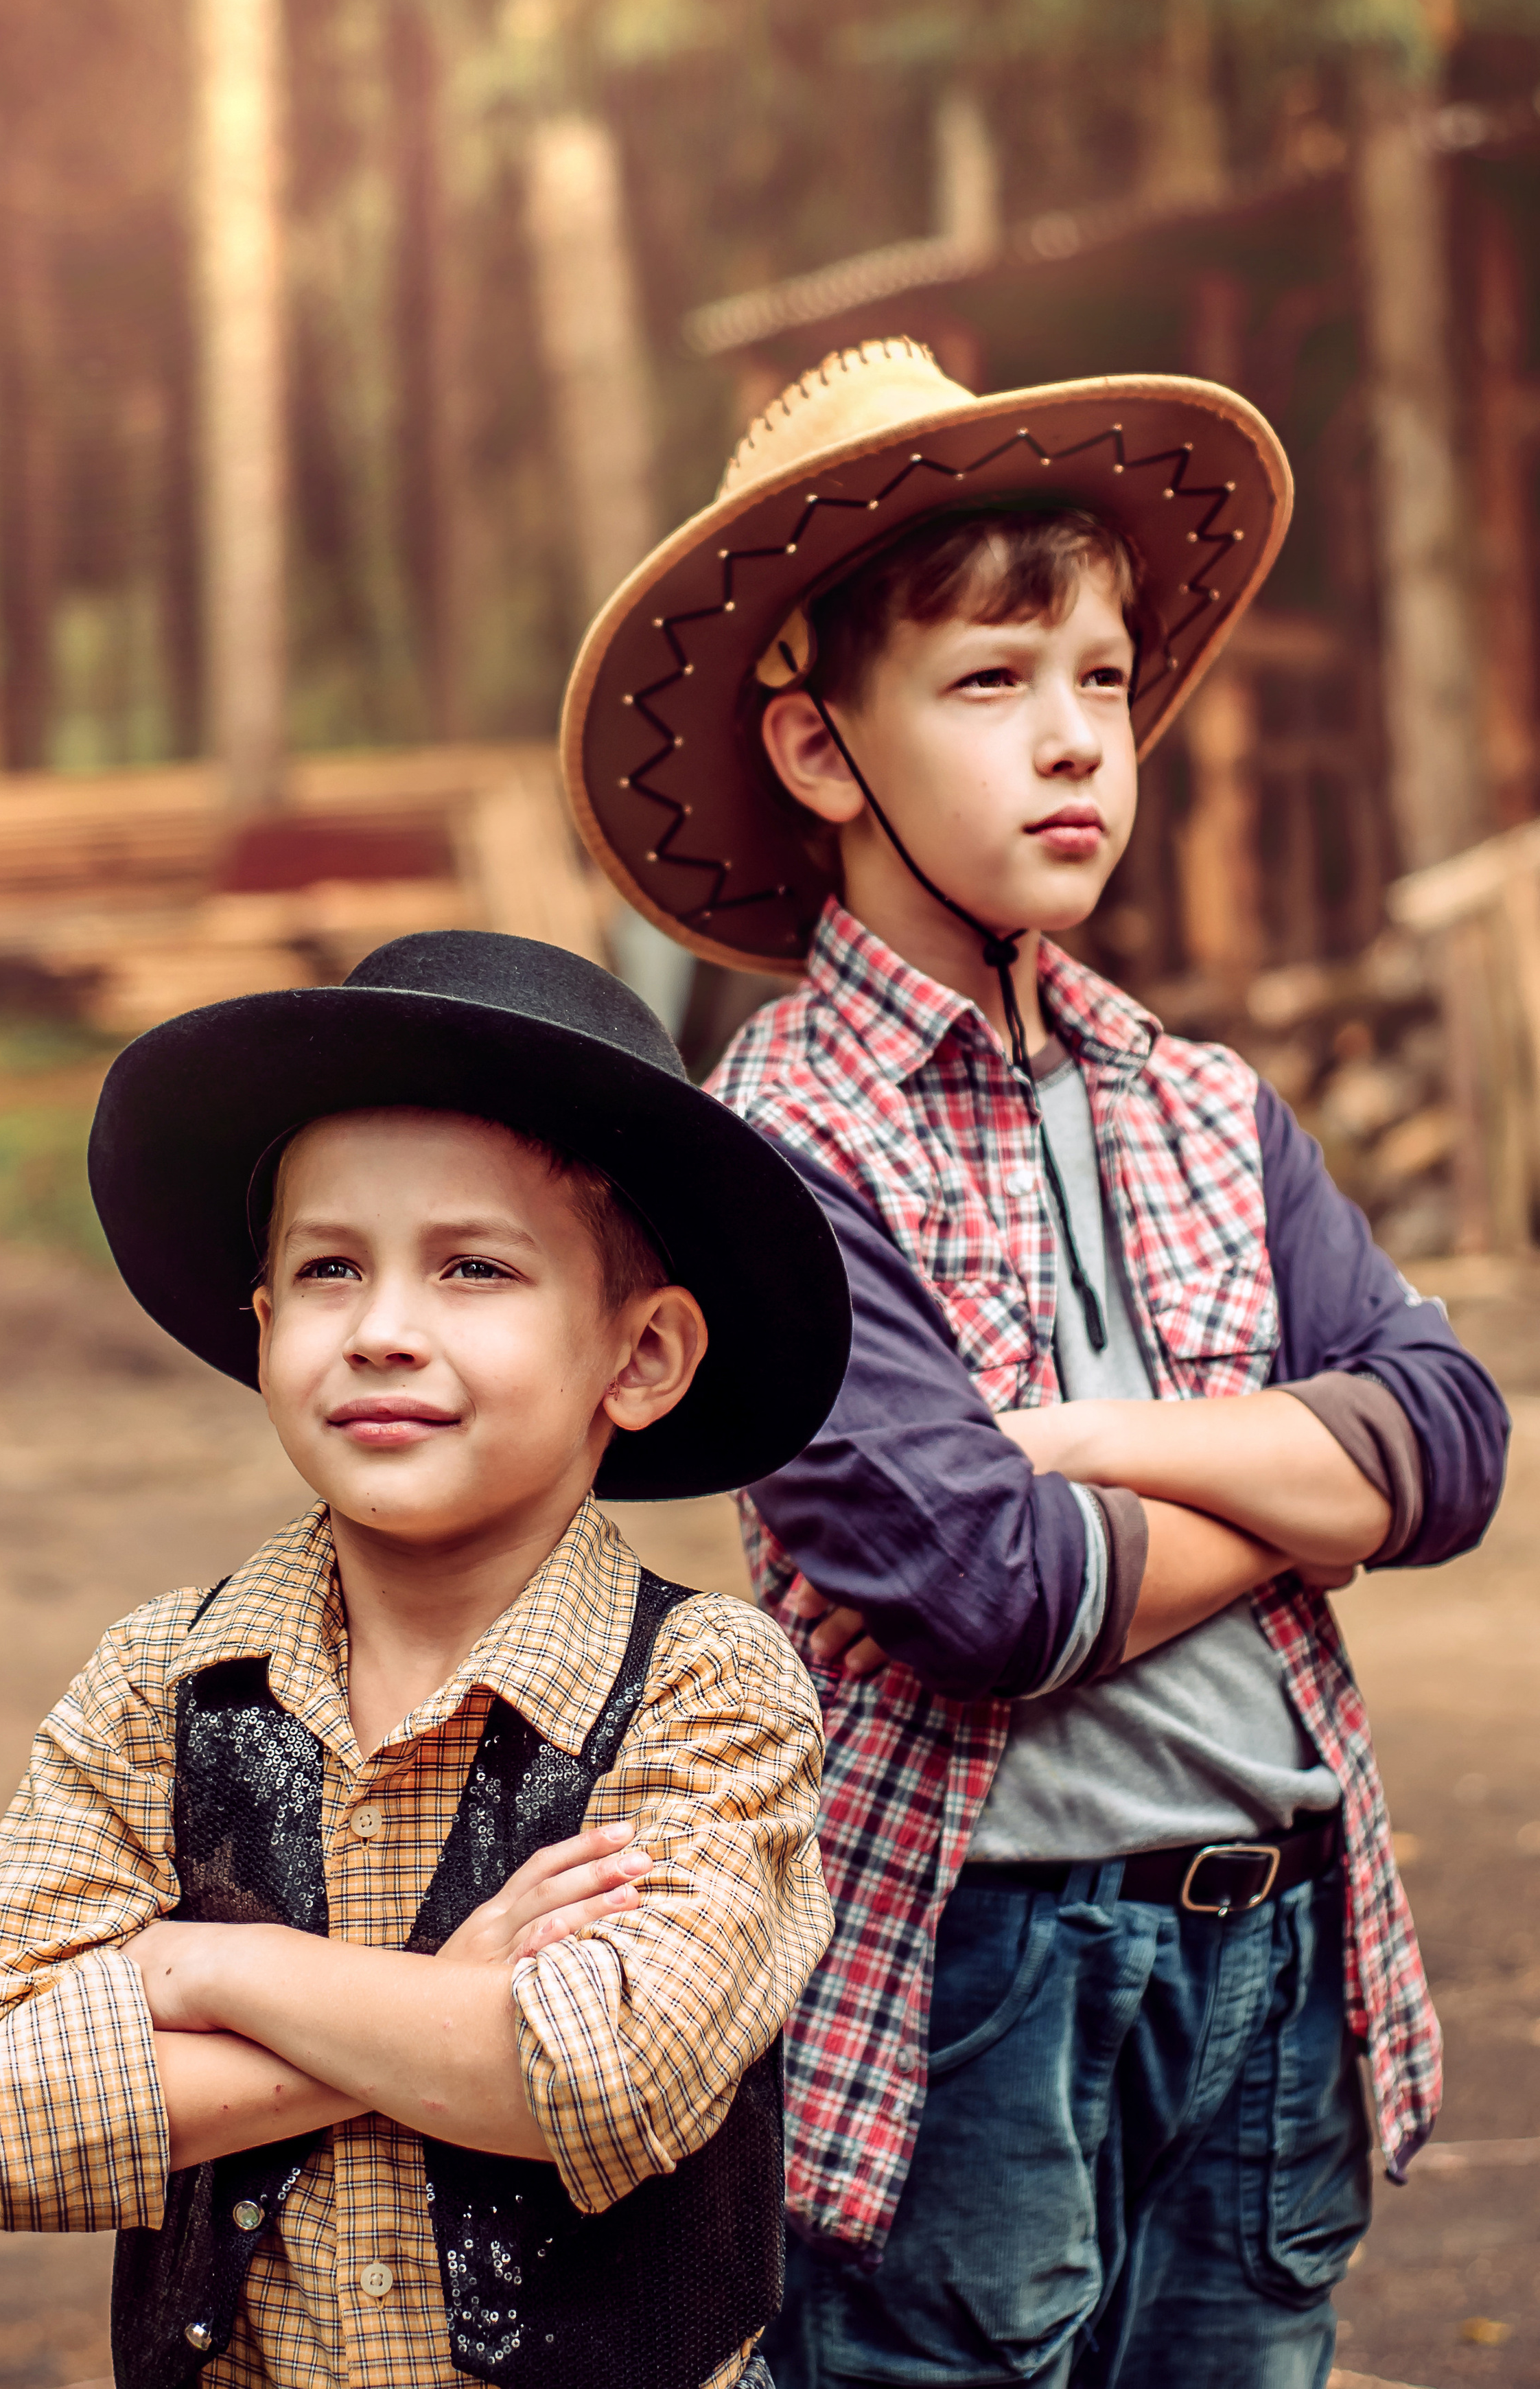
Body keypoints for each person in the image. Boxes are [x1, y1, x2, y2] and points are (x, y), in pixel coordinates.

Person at [561, 340, 1510, 2388]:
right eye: (991, 686)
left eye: (1099, 678)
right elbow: (996, 1591)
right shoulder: (782, 1154)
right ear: (824, 754)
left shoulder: (1207, 1104)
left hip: (1280, 1947)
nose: (1076, 740)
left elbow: (1454, 1442)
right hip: (986, 1967)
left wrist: (1100, 1440)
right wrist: (1292, 1485)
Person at [0, 929, 850, 2389]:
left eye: (472, 1266)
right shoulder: (162, 1684)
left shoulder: (709, 1689)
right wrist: (432, 2009)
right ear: (264, 1325)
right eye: (330, 1269)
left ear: (638, 1357)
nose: (384, 1330)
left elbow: (592, 2076)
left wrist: (205, 1968)